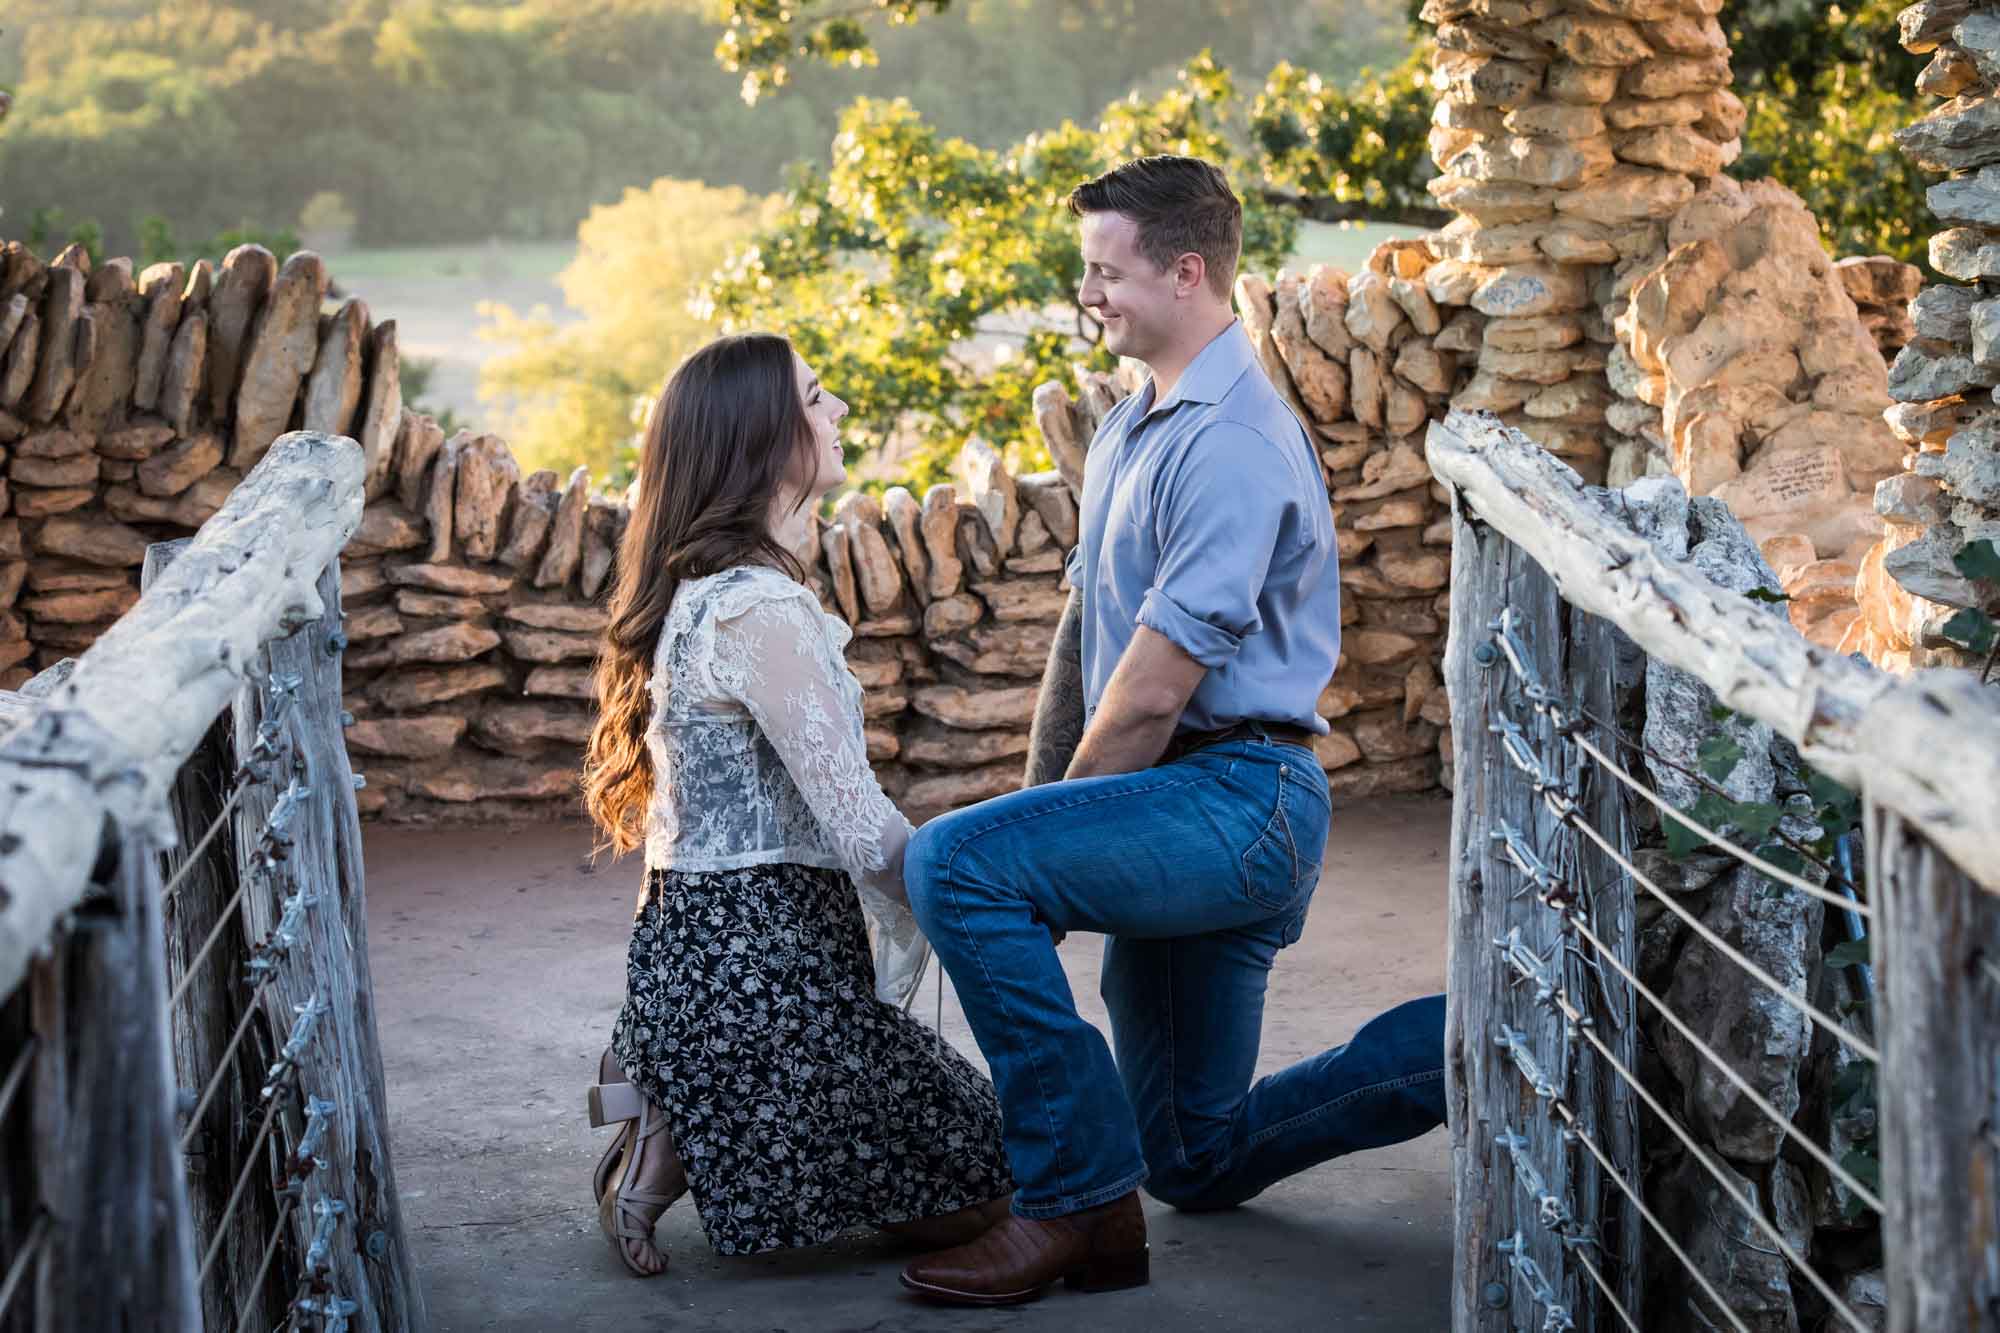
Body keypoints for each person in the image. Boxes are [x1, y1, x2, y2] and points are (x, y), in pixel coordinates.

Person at [896, 156, 1448, 1307]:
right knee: (1192, 1159)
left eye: (1106, 272)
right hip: (1173, 801)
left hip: (1240, 801)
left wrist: (1032, 849)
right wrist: (1045, 819)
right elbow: (1082, 645)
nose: (1086, 293)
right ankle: (1474, 1039)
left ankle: (1070, 1201)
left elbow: (1151, 690)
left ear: (1186, 272)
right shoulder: (1129, 427)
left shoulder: (1229, 443)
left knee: (951, 860)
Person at [578, 333, 1013, 1278]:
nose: (840, 410)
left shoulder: (707, 593)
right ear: (762, 438)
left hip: (701, 962)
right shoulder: (757, 609)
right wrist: (987, 891)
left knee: (958, 1165)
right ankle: (691, 1112)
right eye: (817, 397)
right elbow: (862, 832)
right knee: (997, 1188)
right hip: (766, 976)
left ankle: (680, 1106)